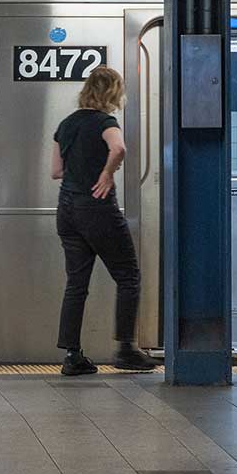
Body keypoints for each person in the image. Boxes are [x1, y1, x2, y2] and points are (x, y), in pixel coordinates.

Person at [51, 65, 156, 376]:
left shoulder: (66, 124)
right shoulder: (105, 121)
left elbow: (55, 171)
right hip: (97, 208)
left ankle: (72, 355)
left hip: (66, 210)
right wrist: (106, 173)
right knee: (128, 276)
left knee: (76, 284)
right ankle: (125, 349)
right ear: (112, 92)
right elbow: (119, 147)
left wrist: (80, 169)